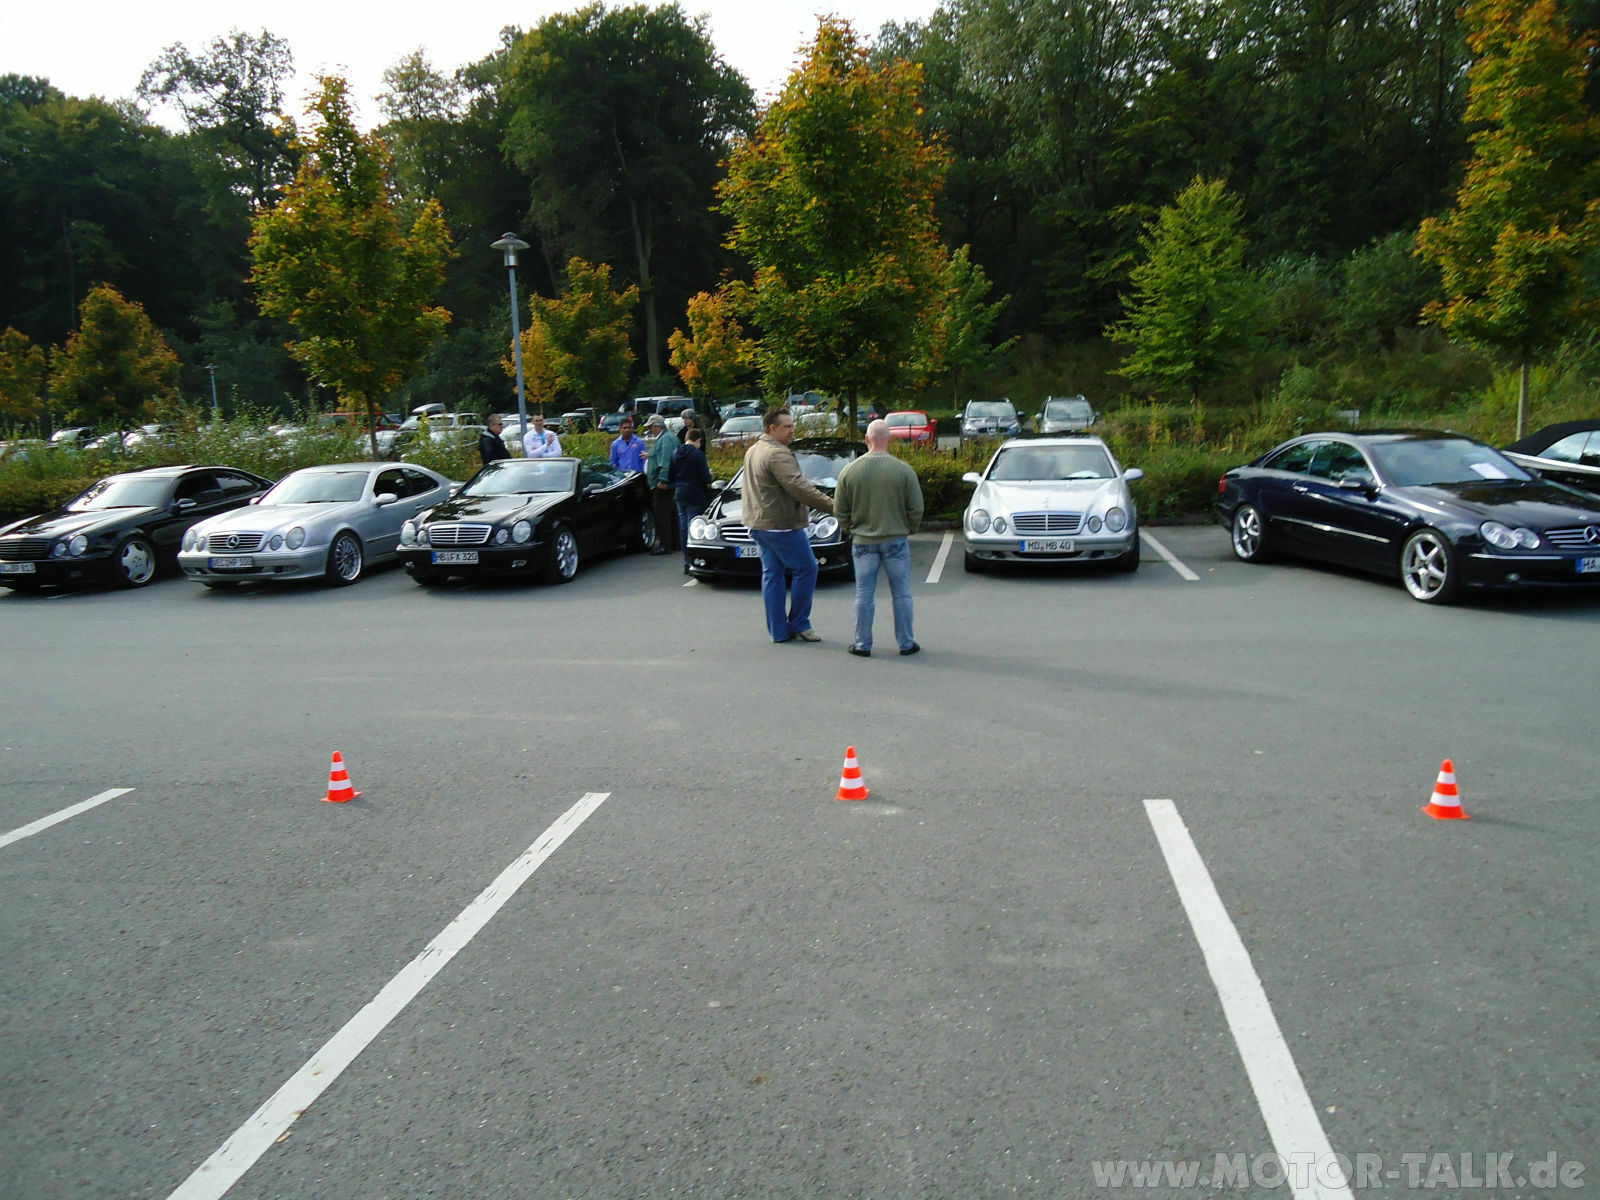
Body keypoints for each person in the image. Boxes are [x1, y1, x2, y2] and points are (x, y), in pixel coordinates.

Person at [742, 407, 835, 643]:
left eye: (793, 425)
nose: (792, 430)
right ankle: (800, 623)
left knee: (772, 575)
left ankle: (778, 631)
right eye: (787, 426)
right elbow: (799, 488)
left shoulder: (754, 449)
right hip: (781, 526)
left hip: (759, 524)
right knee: (807, 568)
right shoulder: (777, 453)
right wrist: (835, 507)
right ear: (772, 429)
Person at [834, 418, 924, 657]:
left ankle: (862, 644)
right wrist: (909, 528)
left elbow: (840, 509)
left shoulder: (849, 471)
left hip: (863, 541)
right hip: (895, 539)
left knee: (864, 594)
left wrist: (850, 526)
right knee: (901, 593)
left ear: (867, 439)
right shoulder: (903, 470)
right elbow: (916, 508)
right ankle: (906, 643)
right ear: (890, 440)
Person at [670, 426, 713, 575]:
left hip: (679, 494)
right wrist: (710, 475)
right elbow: (706, 478)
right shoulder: (698, 455)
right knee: (693, 528)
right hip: (695, 495)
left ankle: (686, 562)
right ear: (699, 440)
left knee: (683, 528)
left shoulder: (675, 453)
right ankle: (695, 561)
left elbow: (670, 477)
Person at [642, 413, 680, 555]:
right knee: (670, 512)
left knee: (662, 514)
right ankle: (674, 542)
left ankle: (665, 544)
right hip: (665, 483)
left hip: (662, 484)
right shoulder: (667, 438)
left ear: (658, 427)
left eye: (651, 427)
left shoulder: (665, 440)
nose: (650, 430)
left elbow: (666, 462)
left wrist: (663, 480)